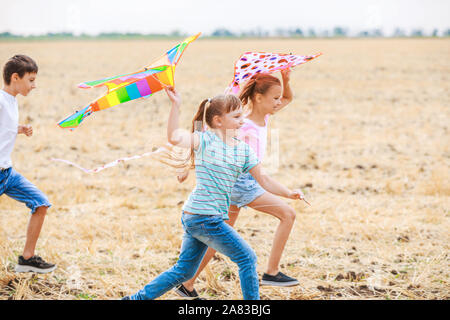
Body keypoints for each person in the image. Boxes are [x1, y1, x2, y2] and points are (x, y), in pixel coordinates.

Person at [122, 86, 305, 300]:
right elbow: (174, 137)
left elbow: (264, 179)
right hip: (203, 217)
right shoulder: (205, 140)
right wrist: (176, 105)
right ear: (218, 121)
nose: (242, 120)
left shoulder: (243, 150)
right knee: (247, 258)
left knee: (184, 271)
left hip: (200, 217)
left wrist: (289, 193)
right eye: (236, 116)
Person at [176, 71, 304, 299]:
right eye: (274, 98)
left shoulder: (263, 117)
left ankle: (187, 283)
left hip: (238, 183)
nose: (279, 102)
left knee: (218, 238)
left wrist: (286, 80)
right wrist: (186, 166)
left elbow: (288, 99)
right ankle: (272, 272)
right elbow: (207, 137)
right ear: (258, 98)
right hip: (242, 183)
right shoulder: (243, 125)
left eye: (278, 98)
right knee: (287, 214)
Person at [0, 55, 56, 273]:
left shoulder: (11, 100)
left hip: (8, 173)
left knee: (41, 203)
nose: (34, 85)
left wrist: (17, 129)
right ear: (16, 77)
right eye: (31, 80)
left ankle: (27, 258)